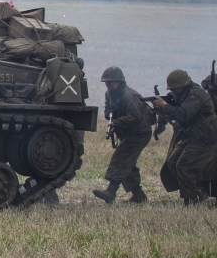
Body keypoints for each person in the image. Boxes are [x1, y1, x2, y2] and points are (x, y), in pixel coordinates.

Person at [150, 69, 217, 206]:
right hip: (192, 135)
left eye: (176, 89)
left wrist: (165, 106)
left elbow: (184, 114)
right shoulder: (182, 96)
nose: (174, 92)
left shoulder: (195, 94)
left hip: (206, 137)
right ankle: (197, 192)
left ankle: (191, 198)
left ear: (183, 86)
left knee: (184, 165)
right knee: (173, 162)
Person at [93, 67, 152, 204]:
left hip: (139, 133)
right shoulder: (110, 93)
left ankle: (111, 191)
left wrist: (117, 122)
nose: (108, 85)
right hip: (128, 133)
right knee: (128, 164)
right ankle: (139, 195)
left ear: (118, 82)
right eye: (106, 83)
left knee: (122, 158)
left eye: (111, 82)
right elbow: (108, 107)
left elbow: (135, 116)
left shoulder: (128, 96)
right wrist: (109, 115)